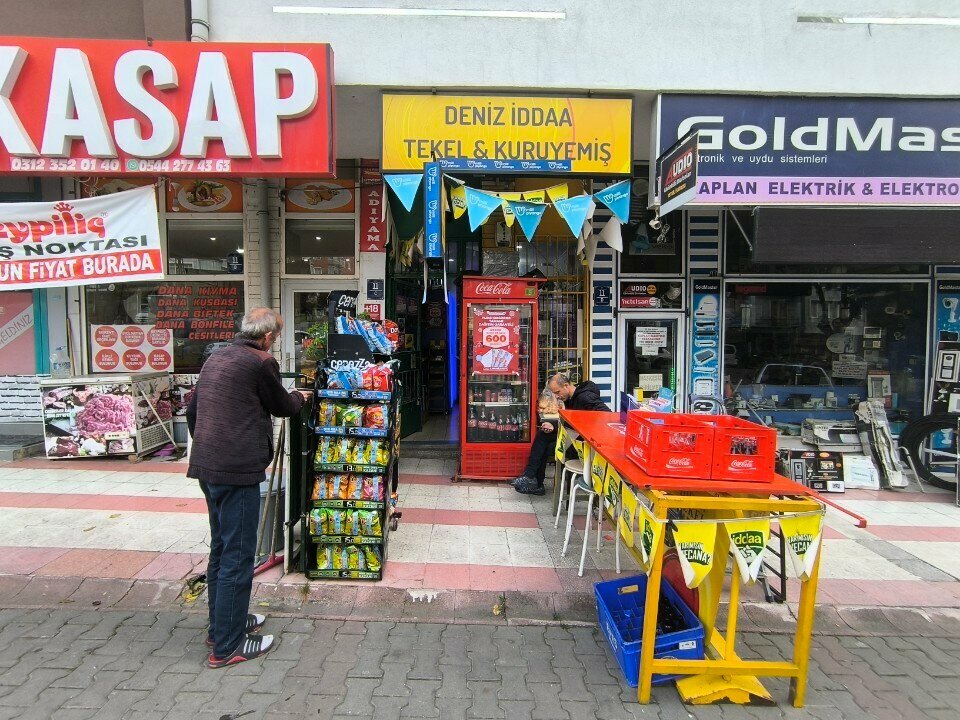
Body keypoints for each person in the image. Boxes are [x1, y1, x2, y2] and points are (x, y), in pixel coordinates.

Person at [187, 307, 310, 668]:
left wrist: (209, 448)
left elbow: (193, 411)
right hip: (236, 470)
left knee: (221, 548)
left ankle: (222, 625)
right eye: (276, 336)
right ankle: (227, 646)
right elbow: (283, 406)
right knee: (238, 557)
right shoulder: (260, 362)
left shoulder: (217, 357)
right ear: (268, 336)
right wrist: (301, 396)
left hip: (207, 466)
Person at [513, 373, 611, 495]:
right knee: (543, 434)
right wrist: (553, 427)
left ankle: (533, 480)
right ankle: (531, 478)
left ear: (566, 386)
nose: (557, 396)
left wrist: (589, 430)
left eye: (557, 392)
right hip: (573, 436)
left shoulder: (585, 397)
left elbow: (607, 415)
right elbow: (571, 424)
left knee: (545, 446)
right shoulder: (572, 398)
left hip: (582, 444)